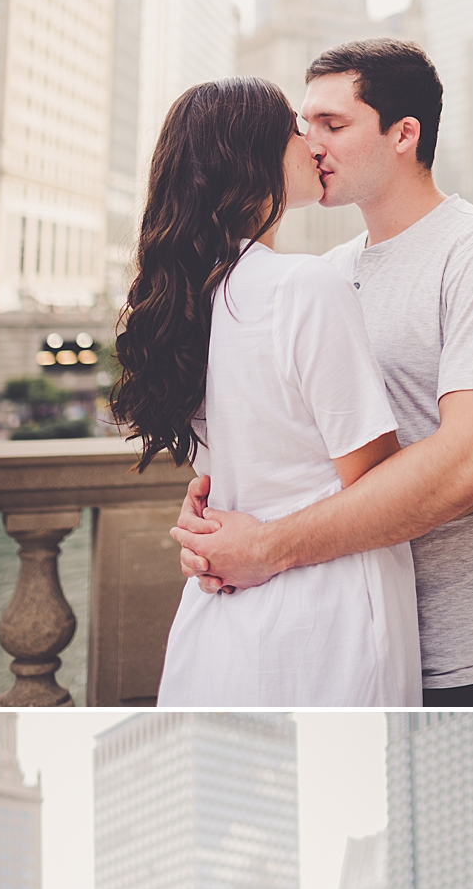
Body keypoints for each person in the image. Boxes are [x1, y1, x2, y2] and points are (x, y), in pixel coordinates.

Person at [172, 41, 473, 706]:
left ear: (404, 133)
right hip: (338, 628)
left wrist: (265, 545)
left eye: (333, 124)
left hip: (467, 642)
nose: (310, 142)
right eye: (304, 123)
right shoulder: (325, 271)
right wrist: (220, 524)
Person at [112, 77, 422, 706]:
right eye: (292, 128)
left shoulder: (187, 305)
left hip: (219, 617)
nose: (310, 142)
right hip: (328, 611)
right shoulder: (303, 287)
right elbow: (380, 484)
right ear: (249, 156)